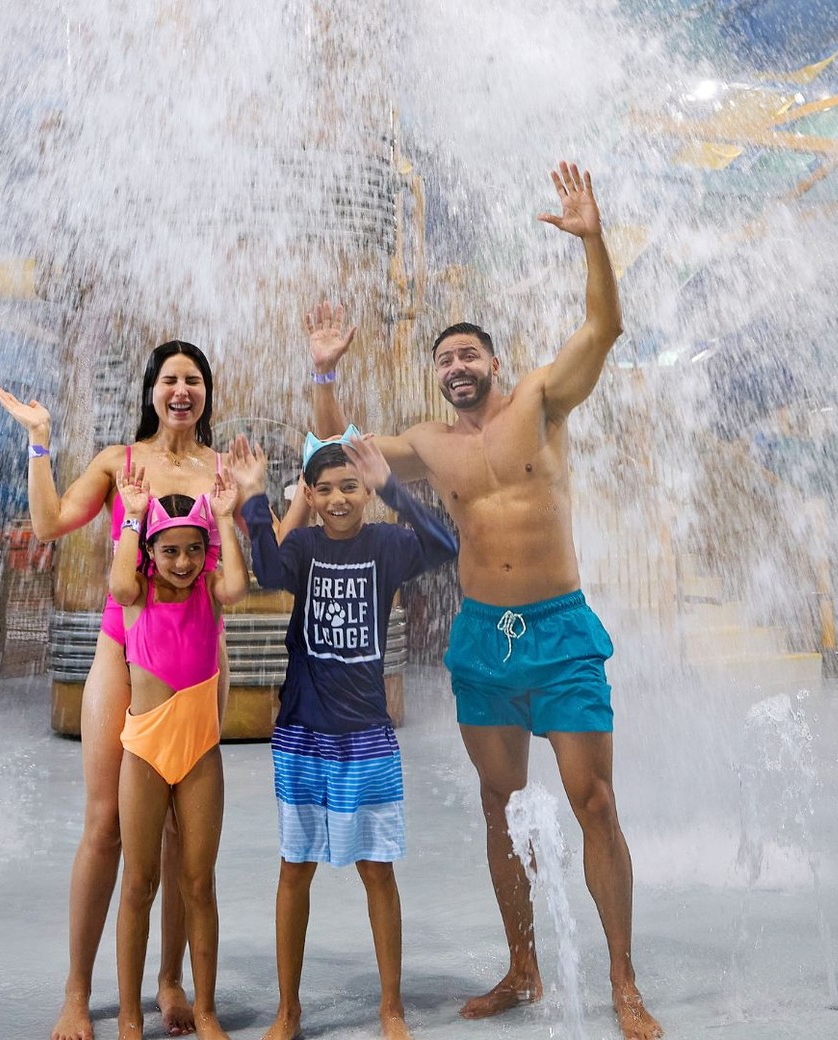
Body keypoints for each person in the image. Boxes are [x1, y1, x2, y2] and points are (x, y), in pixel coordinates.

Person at [305, 163, 663, 1040]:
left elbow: (605, 327)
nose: (456, 366)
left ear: (493, 361)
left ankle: (621, 978)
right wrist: (323, 372)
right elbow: (332, 449)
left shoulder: (541, 400)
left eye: (468, 354)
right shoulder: (428, 445)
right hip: (482, 641)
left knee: (595, 803)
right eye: (444, 360)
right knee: (500, 804)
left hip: (561, 630)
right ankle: (524, 965)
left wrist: (593, 240)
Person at [0, 340, 228, 1040]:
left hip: (194, 664)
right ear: (151, 390)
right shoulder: (119, 463)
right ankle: (77, 990)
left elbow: (244, 562)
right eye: (168, 379)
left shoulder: (221, 471)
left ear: (206, 392)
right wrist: (40, 443)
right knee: (106, 824)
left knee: (184, 836)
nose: (180, 390)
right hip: (122, 653)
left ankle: (169, 981)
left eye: (192, 380)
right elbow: (49, 524)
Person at [228, 429, 458, 1040]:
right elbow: (266, 569)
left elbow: (443, 543)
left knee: (377, 869)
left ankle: (391, 1006)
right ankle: (288, 1008)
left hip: (366, 737)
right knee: (293, 868)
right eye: (324, 489)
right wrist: (254, 497)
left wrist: (395, 488)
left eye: (350, 487)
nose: (337, 499)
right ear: (309, 492)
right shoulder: (300, 547)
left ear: (366, 492)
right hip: (303, 733)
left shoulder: (387, 544)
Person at [110, 464, 248, 1040]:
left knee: (199, 883)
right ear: (151, 551)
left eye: (194, 551)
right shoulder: (137, 593)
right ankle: (127, 1013)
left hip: (199, 754)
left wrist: (222, 518)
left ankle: (207, 1008)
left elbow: (237, 585)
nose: (184, 563)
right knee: (139, 884)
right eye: (171, 552)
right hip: (144, 751)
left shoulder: (212, 595)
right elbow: (118, 584)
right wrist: (135, 516)